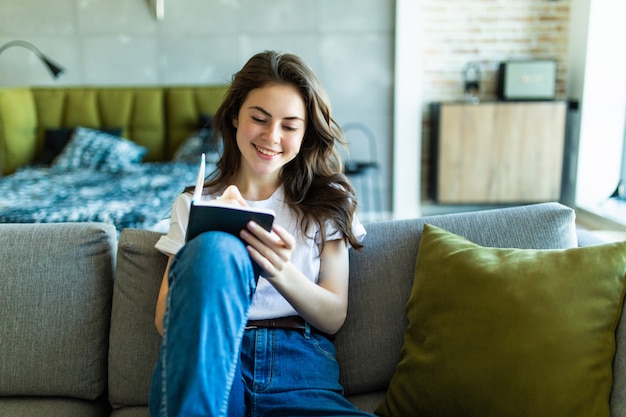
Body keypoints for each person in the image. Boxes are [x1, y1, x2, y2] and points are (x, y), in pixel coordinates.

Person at [148, 50, 373, 417]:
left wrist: (280, 270)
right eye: (260, 118)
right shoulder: (194, 202)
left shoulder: (329, 201)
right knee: (215, 249)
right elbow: (163, 320)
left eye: (289, 125)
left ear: (305, 133)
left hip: (297, 363)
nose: (272, 136)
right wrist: (214, 246)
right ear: (236, 115)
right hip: (211, 358)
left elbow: (333, 316)